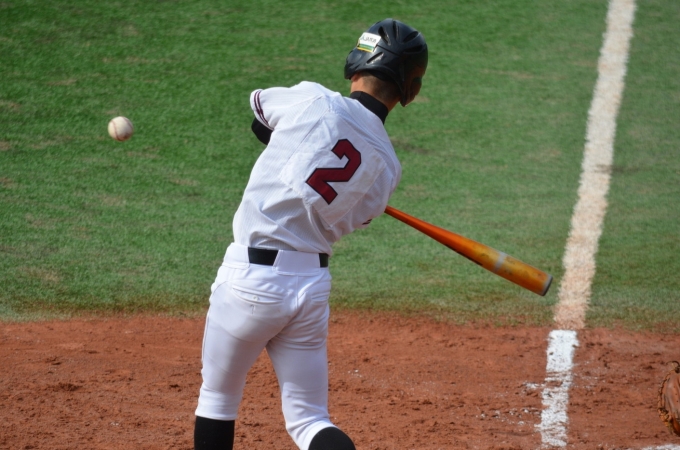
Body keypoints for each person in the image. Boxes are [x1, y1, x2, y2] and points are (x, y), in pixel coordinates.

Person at [193, 18, 428, 450]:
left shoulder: (314, 100)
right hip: (310, 288)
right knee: (310, 420)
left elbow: (260, 117)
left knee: (218, 400)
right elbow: (356, 217)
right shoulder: (389, 168)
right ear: (409, 90)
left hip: (250, 282)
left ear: (357, 60)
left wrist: (292, 146)